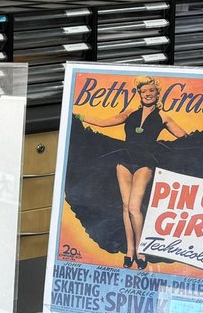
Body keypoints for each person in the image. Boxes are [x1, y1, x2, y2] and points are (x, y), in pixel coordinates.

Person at [76, 75, 186, 270]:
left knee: (135, 207)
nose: (147, 94)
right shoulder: (129, 113)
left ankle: (141, 251)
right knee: (126, 206)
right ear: (139, 94)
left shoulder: (163, 117)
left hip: (145, 163)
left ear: (157, 93)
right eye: (144, 91)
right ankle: (130, 250)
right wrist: (79, 116)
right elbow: (103, 122)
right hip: (124, 161)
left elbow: (184, 137)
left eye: (151, 90)